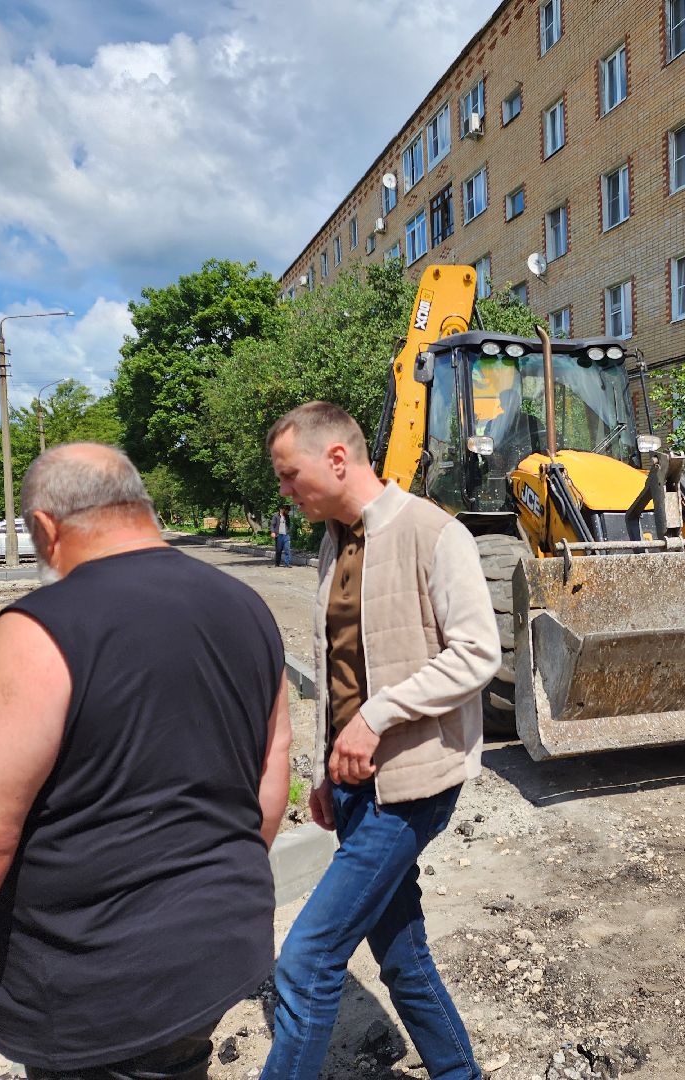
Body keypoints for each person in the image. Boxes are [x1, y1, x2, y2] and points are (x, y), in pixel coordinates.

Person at [0, 443, 291, 1080]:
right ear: (140, 507)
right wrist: (206, 898)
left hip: (99, 985)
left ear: (44, 527)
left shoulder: (40, 630)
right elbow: (268, 778)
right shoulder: (246, 606)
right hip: (220, 952)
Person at [261, 402, 499, 1080]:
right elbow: (333, 660)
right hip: (355, 784)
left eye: (289, 474)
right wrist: (323, 769)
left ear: (337, 458)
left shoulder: (433, 531)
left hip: (411, 785)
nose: (284, 490)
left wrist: (376, 717)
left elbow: (478, 653)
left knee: (305, 962)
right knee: (401, 954)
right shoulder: (334, 540)